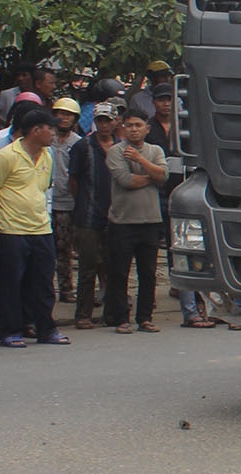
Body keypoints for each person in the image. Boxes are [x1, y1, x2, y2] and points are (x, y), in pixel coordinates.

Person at [0, 106, 64, 347]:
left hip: (41, 228)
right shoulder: (5, 156)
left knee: (42, 282)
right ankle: (10, 330)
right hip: (11, 229)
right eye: (49, 128)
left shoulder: (48, 155)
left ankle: (46, 329)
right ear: (35, 130)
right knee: (10, 282)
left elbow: (44, 187)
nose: (53, 133)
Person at [104, 109, 167, 333]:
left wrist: (140, 160)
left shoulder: (155, 150)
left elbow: (163, 176)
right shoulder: (115, 151)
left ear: (146, 129)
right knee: (119, 272)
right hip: (122, 222)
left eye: (138, 125)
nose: (133, 129)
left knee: (148, 273)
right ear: (122, 128)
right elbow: (125, 180)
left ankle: (145, 317)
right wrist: (152, 176)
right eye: (129, 125)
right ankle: (121, 318)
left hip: (150, 220)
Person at [67, 102, 119, 328]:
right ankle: (83, 314)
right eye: (100, 120)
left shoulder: (121, 147)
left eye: (108, 120)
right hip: (88, 215)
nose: (104, 125)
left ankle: (112, 313)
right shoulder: (83, 147)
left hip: (117, 215)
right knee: (88, 268)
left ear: (115, 121)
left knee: (113, 268)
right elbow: (74, 181)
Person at [48, 97, 81, 305]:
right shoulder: (46, 139)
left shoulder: (78, 143)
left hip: (67, 202)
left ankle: (66, 288)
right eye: (60, 113)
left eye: (68, 114)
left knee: (64, 248)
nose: (64, 118)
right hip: (45, 201)